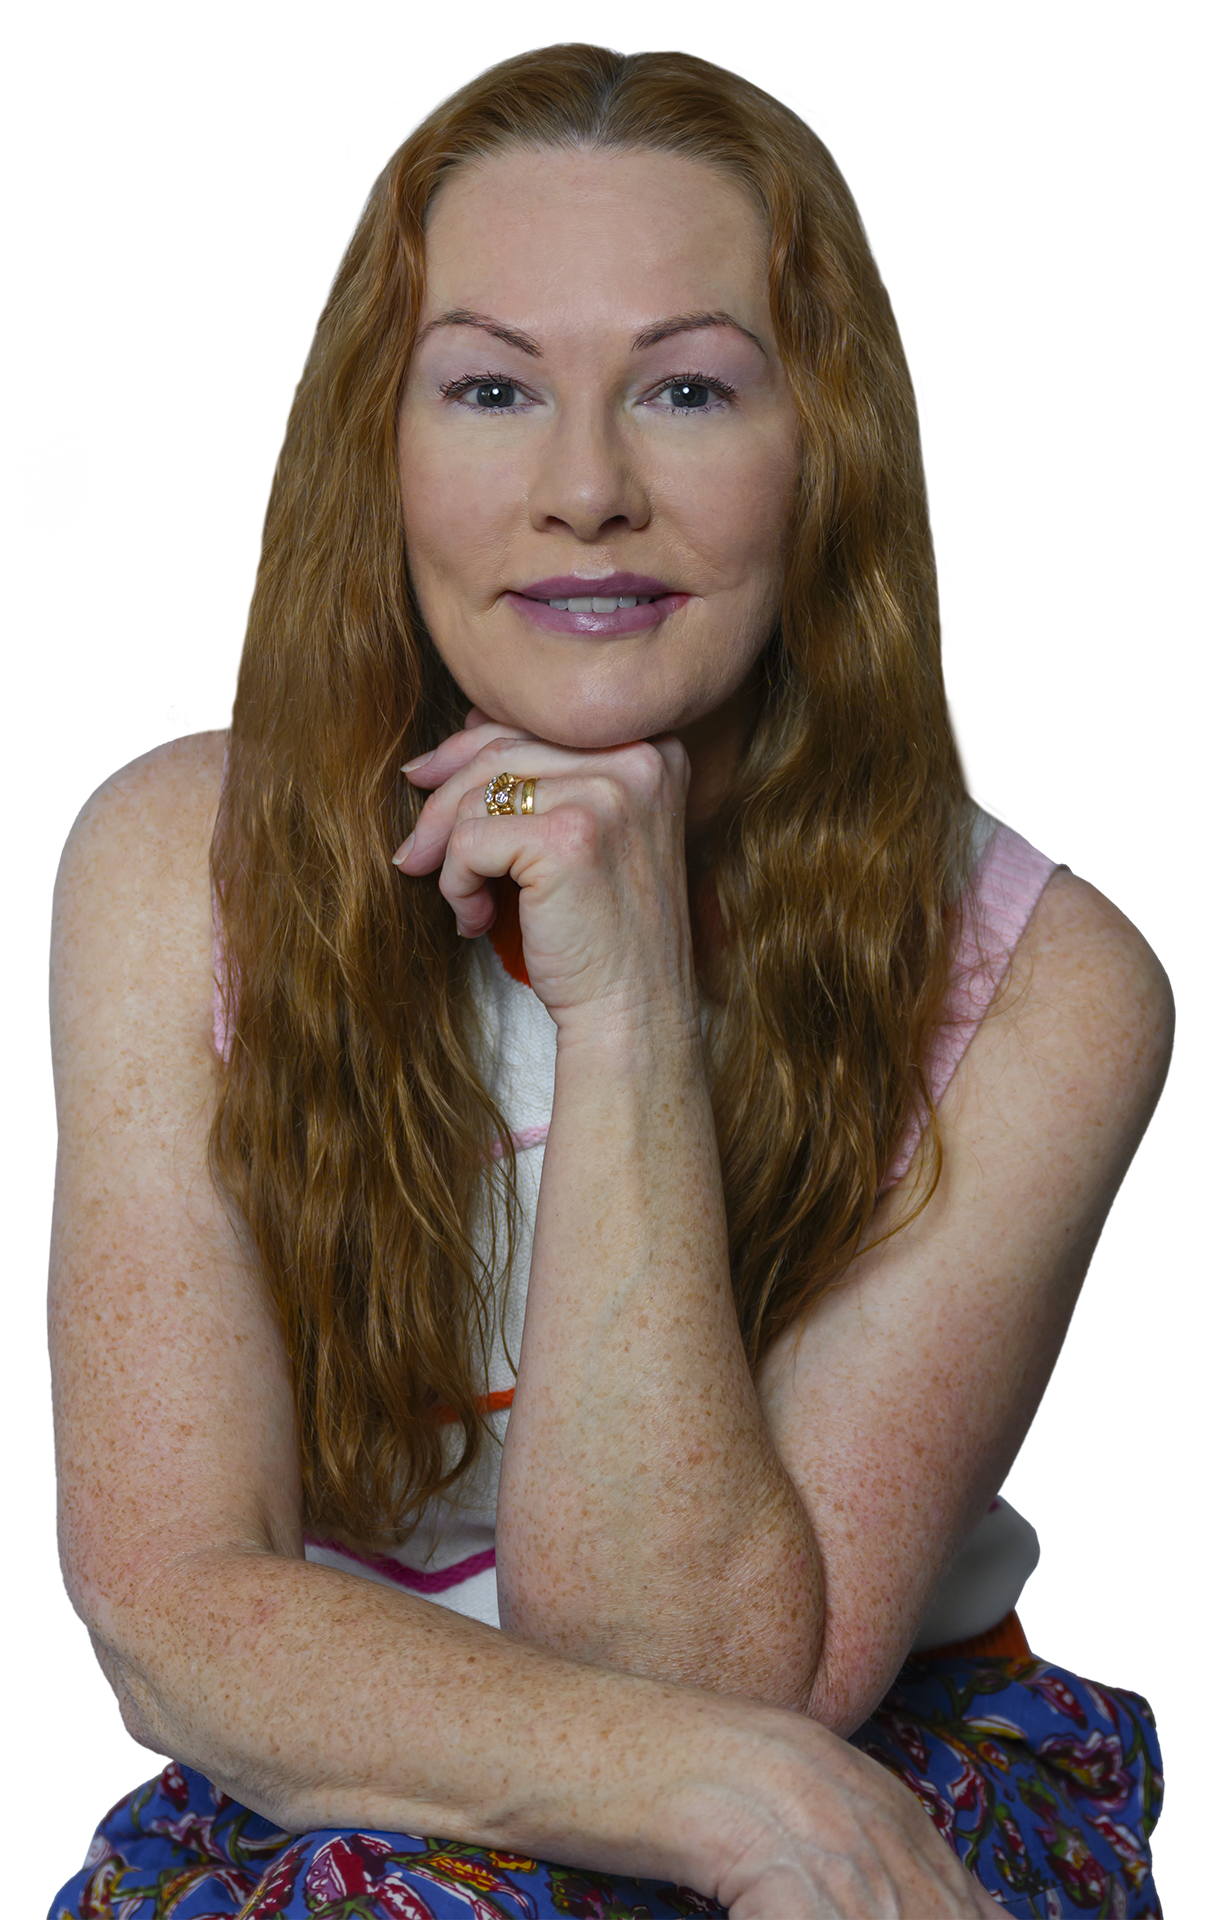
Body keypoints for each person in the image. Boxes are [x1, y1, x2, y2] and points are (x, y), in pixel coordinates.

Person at [46, 43, 1171, 1920]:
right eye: (491, 387)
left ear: (823, 450)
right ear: (373, 452)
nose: (586, 488)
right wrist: (734, 1797)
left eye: (688, 388)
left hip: (869, 1761)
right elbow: (178, 1609)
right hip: (375, 1769)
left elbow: (694, 1672)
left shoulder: (1046, 982)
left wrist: (628, 1002)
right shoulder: (181, 862)